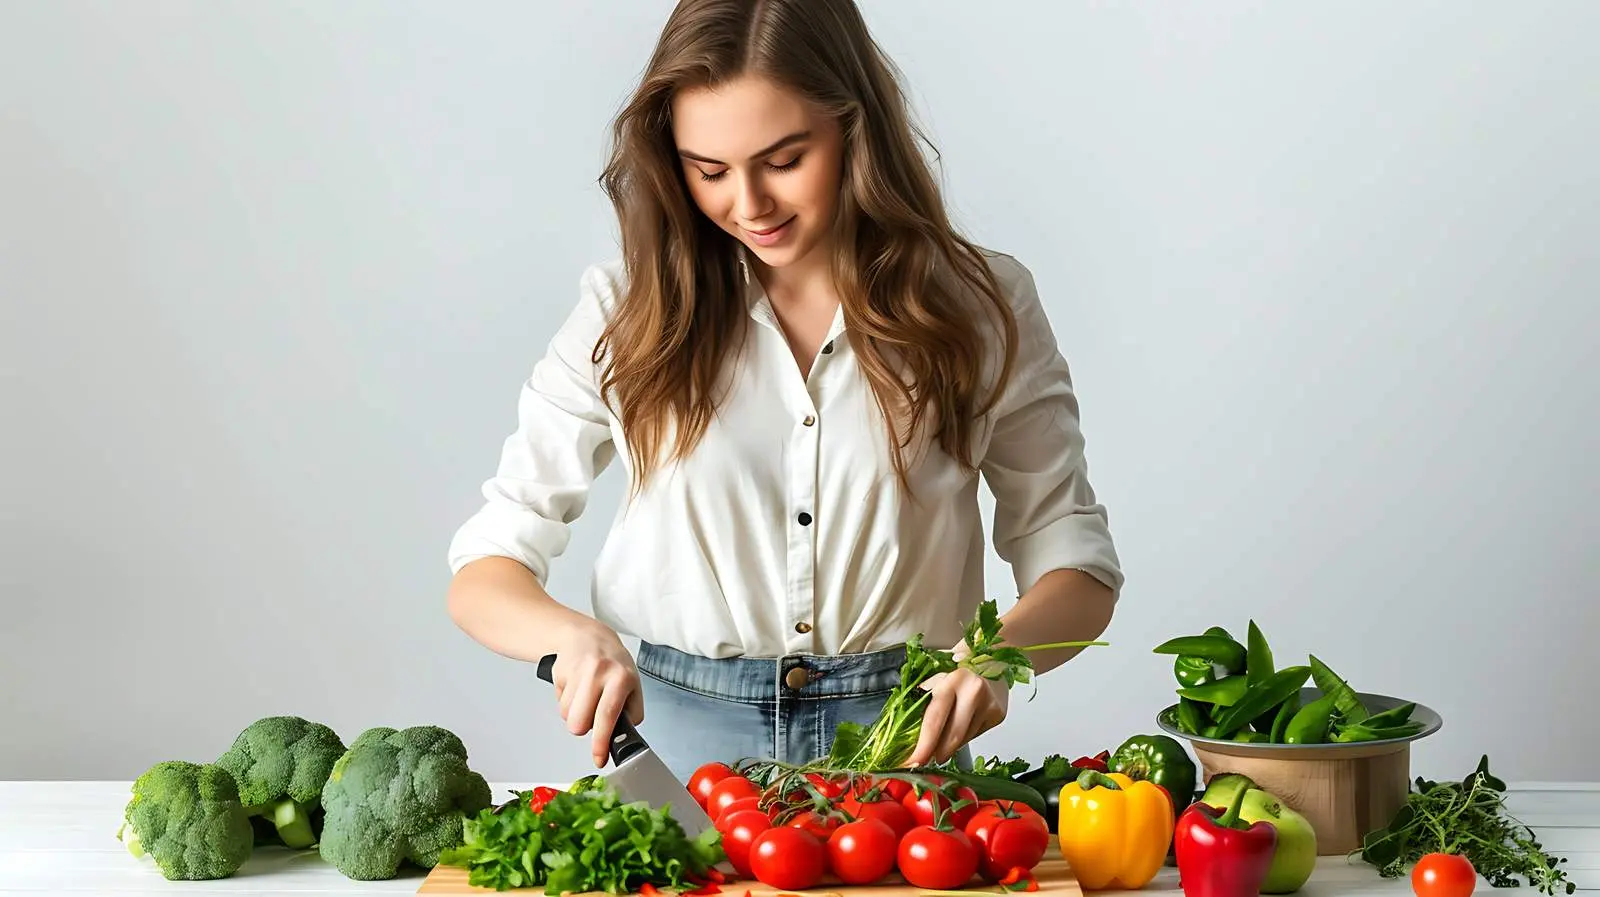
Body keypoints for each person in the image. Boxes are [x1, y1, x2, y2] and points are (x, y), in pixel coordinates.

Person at [445, 0, 1123, 784]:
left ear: (854, 129)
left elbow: (1076, 561)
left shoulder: (980, 303)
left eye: (783, 159)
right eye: (709, 171)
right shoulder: (625, 310)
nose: (749, 204)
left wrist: (999, 657)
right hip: (678, 757)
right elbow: (488, 562)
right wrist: (569, 635)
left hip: (901, 753)